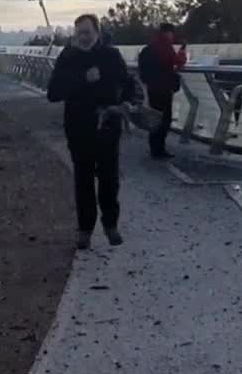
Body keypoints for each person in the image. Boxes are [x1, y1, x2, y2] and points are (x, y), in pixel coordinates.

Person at [47, 14, 137, 249]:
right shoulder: (68, 57)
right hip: (78, 125)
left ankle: (110, 224)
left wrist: (127, 103)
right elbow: (53, 92)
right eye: (79, 33)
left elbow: (128, 84)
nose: (83, 37)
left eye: (87, 32)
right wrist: (82, 78)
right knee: (83, 178)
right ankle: (85, 229)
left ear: (97, 32)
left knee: (109, 177)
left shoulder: (111, 55)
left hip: (108, 124)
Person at [138, 23, 186, 159]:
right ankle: (159, 150)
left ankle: (155, 148)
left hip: (152, 88)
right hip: (163, 89)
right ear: (168, 32)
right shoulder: (164, 45)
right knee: (165, 120)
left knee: (155, 118)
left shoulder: (151, 46)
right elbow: (177, 60)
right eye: (172, 33)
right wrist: (182, 54)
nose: (173, 36)